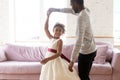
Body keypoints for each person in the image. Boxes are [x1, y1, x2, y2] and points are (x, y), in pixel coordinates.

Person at [47, 0, 97, 80]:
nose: (72, 7)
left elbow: (78, 41)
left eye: (72, 5)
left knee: (83, 77)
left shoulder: (81, 17)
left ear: (76, 3)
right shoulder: (86, 10)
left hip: (86, 52)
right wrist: (55, 9)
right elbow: (70, 11)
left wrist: (72, 61)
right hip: (92, 49)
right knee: (85, 75)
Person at [39, 11, 80, 80]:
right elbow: (45, 29)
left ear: (62, 33)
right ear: (53, 30)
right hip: (48, 60)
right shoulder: (51, 38)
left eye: (60, 30)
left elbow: (58, 53)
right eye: (56, 30)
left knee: (57, 76)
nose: (57, 32)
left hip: (54, 60)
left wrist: (47, 59)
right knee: (48, 75)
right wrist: (48, 17)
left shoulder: (59, 41)